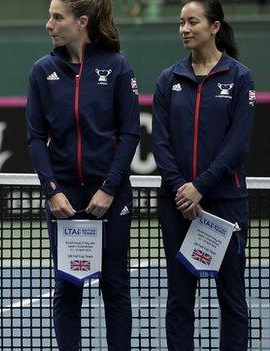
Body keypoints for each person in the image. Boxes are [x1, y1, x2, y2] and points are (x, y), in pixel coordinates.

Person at [26, 0, 140, 349]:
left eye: (57, 17)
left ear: (82, 22)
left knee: (115, 286)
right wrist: (52, 191)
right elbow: (34, 136)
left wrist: (108, 189)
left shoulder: (118, 67)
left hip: (110, 195)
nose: (49, 24)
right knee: (67, 287)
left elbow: (130, 132)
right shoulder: (41, 70)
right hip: (64, 198)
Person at [152, 1, 254, 349]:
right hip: (177, 205)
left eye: (192, 21)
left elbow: (237, 144)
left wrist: (201, 186)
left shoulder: (239, 77)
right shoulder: (169, 79)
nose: (184, 28)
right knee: (180, 300)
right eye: (181, 22)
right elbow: (161, 142)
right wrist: (183, 189)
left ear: (214, 27)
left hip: (226, 205)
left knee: (233, 301)